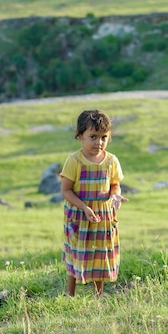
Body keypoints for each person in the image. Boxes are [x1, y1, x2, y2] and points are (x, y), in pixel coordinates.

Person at [61, 109, 128, 297]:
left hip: (103, 216)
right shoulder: (74, 161)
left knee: (101, 253)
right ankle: (71, 294)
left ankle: (99, 294)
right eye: (93, 136)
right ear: (80, 136)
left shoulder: (111, 161)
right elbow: (66, 190)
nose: (99, 142)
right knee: (76, 252)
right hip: (80, 215)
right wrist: (84, 207)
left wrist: (115, 195)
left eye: (103, 137)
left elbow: (115, 184)